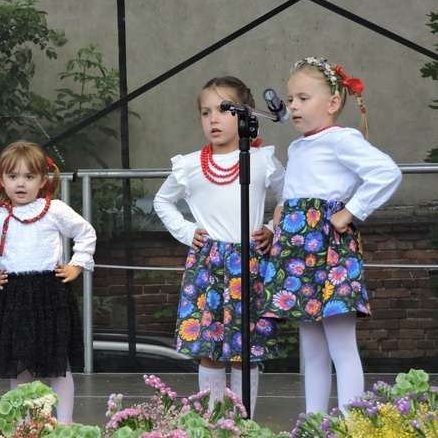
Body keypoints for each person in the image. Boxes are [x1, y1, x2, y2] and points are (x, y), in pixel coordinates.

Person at [260, 57, 402, 414]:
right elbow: (293, 198)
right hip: (297, 253)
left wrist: (350, 212)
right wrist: (277, 222)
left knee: (341, 346)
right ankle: (314, 423)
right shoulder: (297, 147)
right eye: (291, 99)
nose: (292, 105)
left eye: (303, 98)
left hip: (330, 251)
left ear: (333, 103)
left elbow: (387, 173)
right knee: (313, 351)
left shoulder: (341, 139)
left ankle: (352, 425)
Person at [153, 76, 285, 417]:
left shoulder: (262, 160)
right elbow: (162, 201)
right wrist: (187, 231)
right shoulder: (191, 165)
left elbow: (289, 198)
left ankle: (243, 422)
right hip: (208, 262)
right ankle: (211, 422)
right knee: (208, 347)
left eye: (223, 110)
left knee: (245, 350)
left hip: (249, 262)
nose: (212, 119)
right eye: (205, 112)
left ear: (244, 114)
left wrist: (272, 228)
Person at [0, 140, 96, 425]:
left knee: (59, 366)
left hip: (50, 295)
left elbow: (85, 232)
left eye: (29, 177)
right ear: (1, 179)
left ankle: (64, 423)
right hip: (14, 297)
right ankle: (25, 423)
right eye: (13, 176)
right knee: (20, 366)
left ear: (43, 180)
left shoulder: (55, 210)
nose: (21, 184)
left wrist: (76, 266)